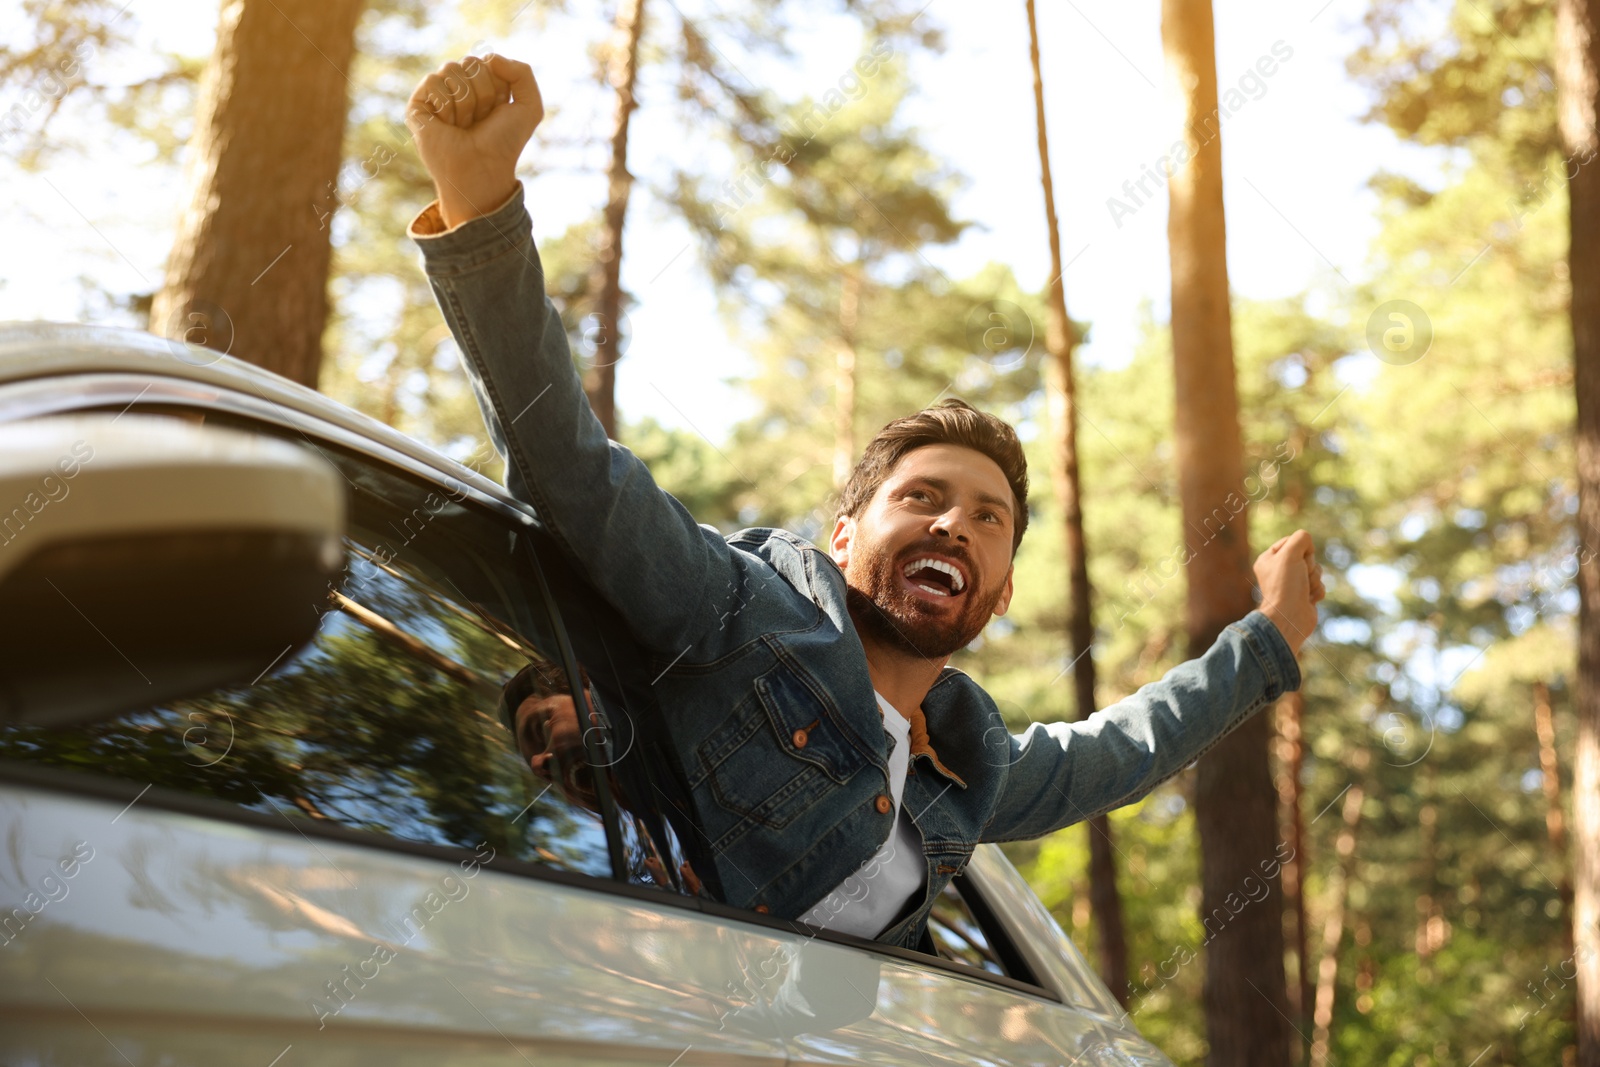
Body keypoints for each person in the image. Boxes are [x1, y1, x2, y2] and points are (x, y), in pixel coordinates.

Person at [402, 53, 1325, 953]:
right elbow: (572, 469)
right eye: (922, 495)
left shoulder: (976, 767)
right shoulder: (740, 612)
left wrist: (1269, 639)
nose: (954, 522)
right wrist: (480, 206)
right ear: (843, 537)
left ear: (1001, 593)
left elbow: (1129, 746)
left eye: (987, 517)